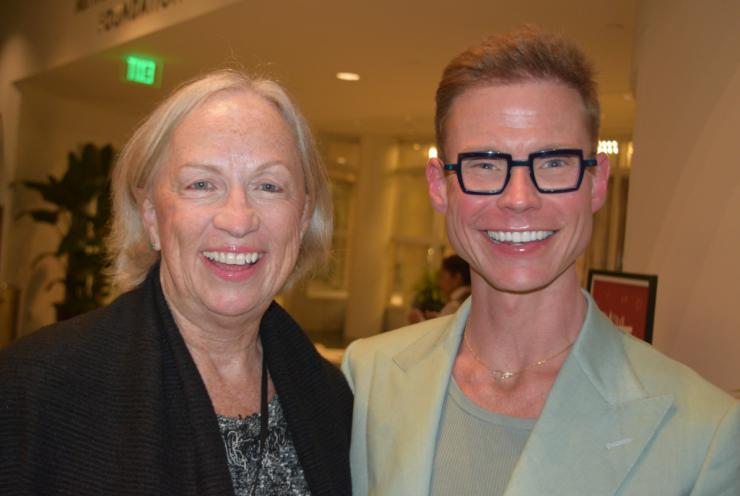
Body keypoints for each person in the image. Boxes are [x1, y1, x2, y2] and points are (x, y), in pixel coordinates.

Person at [342, 27, 739, 495]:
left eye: (553, 163)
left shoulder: (704, 433)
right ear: (438, 186)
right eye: (485, 164)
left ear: (596, 182)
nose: (519, 198)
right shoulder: (366, 378)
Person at [0, 70, 352, 495]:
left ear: (302, 217)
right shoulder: (32, 391)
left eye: (269, 185)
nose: (238, 219)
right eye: (201, 184)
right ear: (151, 214)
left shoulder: (334, 400)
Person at [409, 255, 471, 323]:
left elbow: (448, 330)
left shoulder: (456, 305)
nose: (438, 283)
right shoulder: (469, 300)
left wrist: (420, 321)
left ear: (457, 278)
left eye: (442, 276)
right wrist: (438, 318)